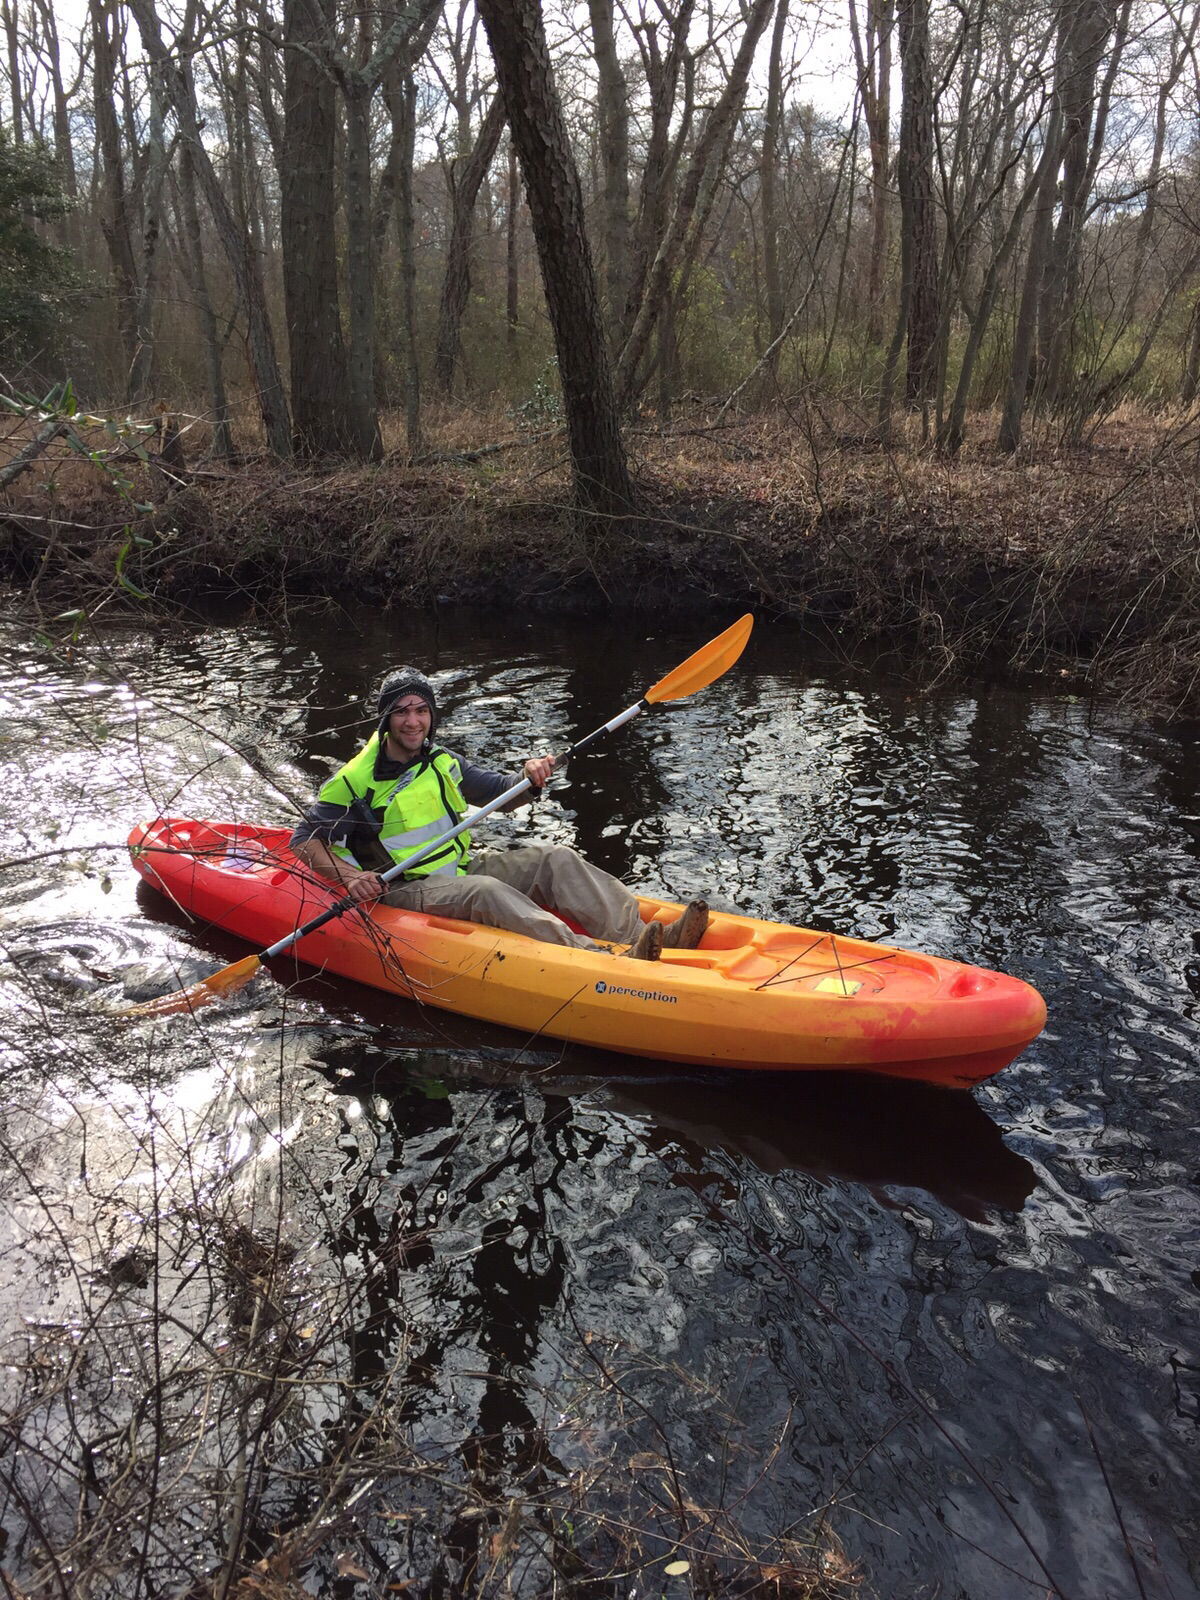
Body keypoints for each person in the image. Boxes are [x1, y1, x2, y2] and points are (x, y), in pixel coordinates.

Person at [290, 667, 709, 962]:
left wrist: (530, 776)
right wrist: (351, 878)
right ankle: (596, 958)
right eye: (402, 711)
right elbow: (303, 840)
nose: (413, 721)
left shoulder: (440, 760)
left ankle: (640, 937)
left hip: (459, 866)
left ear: (431, 715)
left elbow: (501, 794)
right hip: (404, 887)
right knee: (485, 891)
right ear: (386, 719)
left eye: (421, 710)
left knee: (554, 858)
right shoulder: (354, 782)